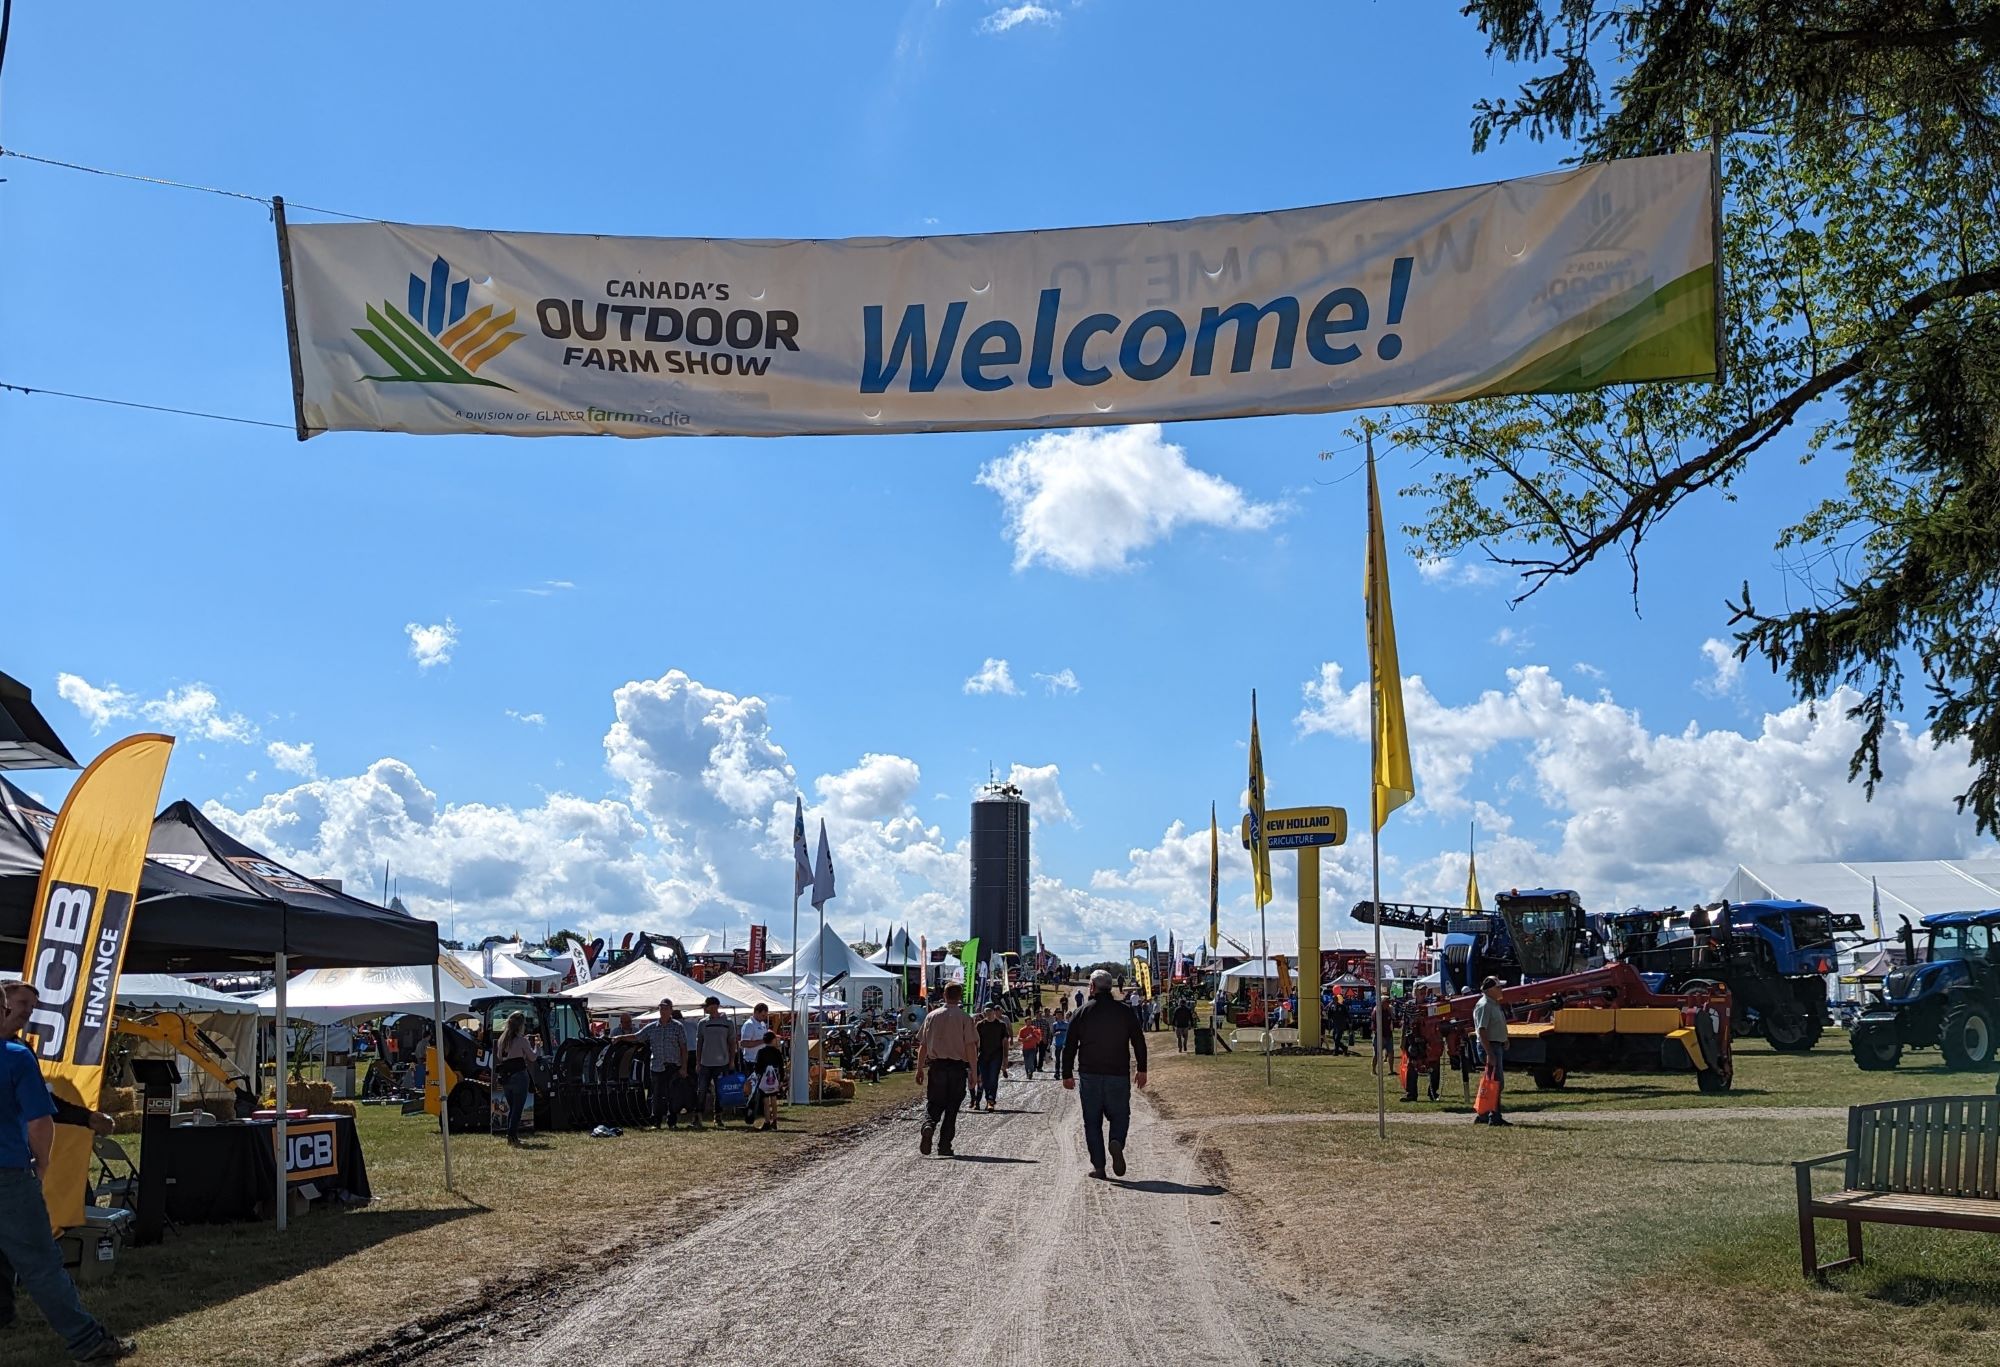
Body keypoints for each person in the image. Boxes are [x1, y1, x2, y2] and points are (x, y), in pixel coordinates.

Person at [0, 982, 135, 1360]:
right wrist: (41, 1164)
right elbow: (40, 1120)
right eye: (21, 1005)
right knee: (42, 1265)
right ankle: (88, 1341)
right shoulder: (15, 1055)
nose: (26, 1012)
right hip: (8, 1174)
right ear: (3, 1008)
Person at [1060, 969, 1147, 1180]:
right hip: (1118, 1074)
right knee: (1120, 1115)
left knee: (1092, 1122)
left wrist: (1067, 1074)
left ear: (1091, 987)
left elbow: (1069, 1045)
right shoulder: (1125, 1011)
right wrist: (1142, 1069)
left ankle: (1099, 1167)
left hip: (1090, 1074)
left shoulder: (1082, 1012)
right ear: (1111, 987)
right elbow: (1138, 1040)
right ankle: (1116, 1140)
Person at [914, 983, 977, 1157]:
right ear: (960, 997)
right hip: (957, 1068)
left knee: (934, 1102)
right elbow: (970, 1047)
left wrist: (919, 1068)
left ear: (944, 995)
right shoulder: (965, 1018)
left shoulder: (931, 1016)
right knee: (952, 1107)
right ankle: (944, 1145)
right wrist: (973, 1071)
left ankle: (929, 1124)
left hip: (937, 1066)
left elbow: (923, 1045)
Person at [616, 999, 688, 1129]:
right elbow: (637, 1036)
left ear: (671, 1010)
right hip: (656, 1066)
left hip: (673, 1065)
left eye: (666, 1008)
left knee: (673, 1095)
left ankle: (672, 1122)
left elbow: (683, 1048)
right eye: (661, 1008)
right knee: (656, 1096)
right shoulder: (651, 1027)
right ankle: (657, 1122)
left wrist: (684, 1067)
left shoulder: (678, 1026)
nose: (663, 1011)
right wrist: (620, 1037)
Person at [692, 996, 738, 1127]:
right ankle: (698, 1117)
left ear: (715, 1006)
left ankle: (718, 1117)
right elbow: (699, 1043)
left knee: (719, 1091)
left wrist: (731, 1061)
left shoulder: (727, 1022)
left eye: (707, 1006)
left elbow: (732, 1042)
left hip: (722, 1063)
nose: (705, 1008)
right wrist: (698, 1062)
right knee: (701, 1090)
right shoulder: (702, 1023)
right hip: (705, 1063)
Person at [1473, 976, 1511, 1126]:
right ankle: (1494, 1117)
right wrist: (1489, 1053)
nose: (1501, 990)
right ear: (1490, 990)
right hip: (1490, 1046)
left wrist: (1504, 1039)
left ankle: (1483, 1114)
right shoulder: (1484, 1005)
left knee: (1492, 1083)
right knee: (1496, 1083)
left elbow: (1497, 1025)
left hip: (1496, 1045)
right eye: (1498, 987)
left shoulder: (1494, 1004)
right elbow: (1481, 1030)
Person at [494, 1011, 537, 1145]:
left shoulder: (502, 1039)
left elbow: (500, 1058)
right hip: (519, 1076)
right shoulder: (522, 1040)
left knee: (512, 1108)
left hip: (506, 1076)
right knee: (517, 1109)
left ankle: (511, 1136)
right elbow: (533, 1057)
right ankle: (512, 1137)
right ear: (520, 1026)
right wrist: (537, 1046)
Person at [738, 1003, 772, 1123]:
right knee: (752, 1088)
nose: (764, 1017)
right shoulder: (749, 1025)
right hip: (751, 1060)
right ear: (756, 1012)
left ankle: (760, 1110)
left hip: (762, 1060)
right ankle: (749, 1110)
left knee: (762, 1088)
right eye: (762, 1014)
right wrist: (762, 1041)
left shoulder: (762, 1024)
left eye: (765, 1015)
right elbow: (744, 1043)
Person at [973, 1003, 1008, 1112]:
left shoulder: (1001, 1025)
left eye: (990, 1011)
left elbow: (1005, 1041)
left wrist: (1005, 1058)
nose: (988, 1013)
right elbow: (975, 1041)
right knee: (984, 1079)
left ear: (994, 1011)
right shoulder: (980, 1025)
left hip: (996, 1056)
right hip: (983, 1055)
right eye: (986, 1011)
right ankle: (988, 1098)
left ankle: (990, 1100)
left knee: (993, 1078)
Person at [751, 1032, 786, 1131]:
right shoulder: (777, 1052)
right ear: (773, 1040)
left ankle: (767, 1121)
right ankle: (774, 1121)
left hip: (764, 1079)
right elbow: (781, 1066)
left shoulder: (761, 1052)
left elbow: (757, 1066)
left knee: (766, 1100)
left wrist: (757, 1075)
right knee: (774, 1099)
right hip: (774, 1079)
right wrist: (781, 1079)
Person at [1017, 1014, 1045, 1078]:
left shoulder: (1034, 1029)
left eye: (1030, 1021)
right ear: (1025, 1022)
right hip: (1025, 1048)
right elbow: (1019, 1039)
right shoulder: (1022, 1030)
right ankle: (1028, 1073)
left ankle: (1031, 1071)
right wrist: (1025, 1039)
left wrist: (1036, 1036)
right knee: (1026, 1061)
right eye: (1028, 1021)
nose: (1029, 1023)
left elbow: (1039, 1037)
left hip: (1033, 1047)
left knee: (1031, 1060)